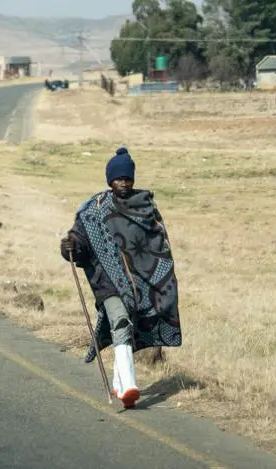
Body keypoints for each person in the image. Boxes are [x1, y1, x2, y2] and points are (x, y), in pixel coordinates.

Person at [59, 146, 182, 409]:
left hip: (139, 283)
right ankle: (129, 386)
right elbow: (79, 239)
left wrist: (161, 281)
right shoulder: (94, 209)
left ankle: (118, 384)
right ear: (109, 180)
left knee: (129, 326)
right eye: (118, 178)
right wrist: (70, 245)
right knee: (121, 321)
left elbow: (157, 244)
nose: (123, 182)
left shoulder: (146, 207)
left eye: (127, 178)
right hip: (107, 281)